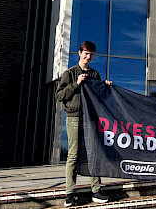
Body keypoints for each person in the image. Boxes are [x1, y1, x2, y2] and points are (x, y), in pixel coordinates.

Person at [55, 41, 112, 207]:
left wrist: (106, 88)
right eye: (86, 53)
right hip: (74, 117)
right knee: (73, 155)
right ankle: (70, 194)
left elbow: (100, 97)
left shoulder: (95, 74)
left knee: (94, 153)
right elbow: (59, 96)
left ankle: (96, 190)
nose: (88, 57)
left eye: (91, 54)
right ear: (79, 53)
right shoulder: (70, 73)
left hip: (91, 118)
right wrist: (76, 84)